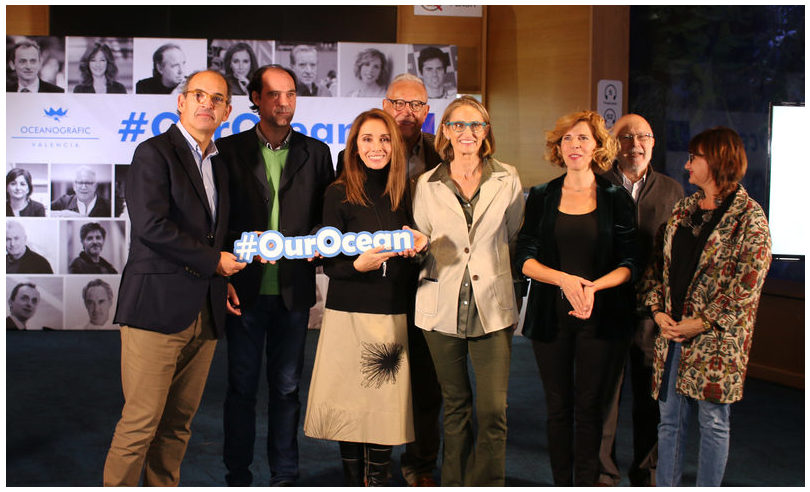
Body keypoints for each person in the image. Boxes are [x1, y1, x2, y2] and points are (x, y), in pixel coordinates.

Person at [103, 70, 245, 486]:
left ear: (227, 112)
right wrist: (212, 262)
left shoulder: (220, 165)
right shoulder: (154, 152)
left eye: (217, 98)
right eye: (199, 94)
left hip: (206, 308)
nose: (207, 103)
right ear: (181, 102)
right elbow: (151, 226)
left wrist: (223, 277)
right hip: (155, 308)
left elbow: (212, 234)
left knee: (179, 424)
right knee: (140, 423)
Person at [216, 65, 334, 487]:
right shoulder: (227, 151)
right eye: (273, 94)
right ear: (255, 99)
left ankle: (285, 475)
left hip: (293, 292)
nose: (284, 102)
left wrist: (322, 242)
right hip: (244, 290)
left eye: (291, 94)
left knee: (286, 390)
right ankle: (238, 474)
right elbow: (218, 223)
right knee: (241, 389)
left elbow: (327, 221)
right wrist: (236, 253)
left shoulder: (317, 153)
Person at [639, 127, 772, 487]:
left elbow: (747, 286)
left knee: (713, 423)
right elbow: (656, 269)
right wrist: (657, 311)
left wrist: (701, 323)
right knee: (669, 422)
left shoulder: (750, 219)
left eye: (694, 157)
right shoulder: (683, 209)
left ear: (716, 160)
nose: (687, 166)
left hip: (715, 343)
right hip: (672, 335)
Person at [303, 108, 428, 486]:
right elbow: (329, 264)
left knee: (383, 407)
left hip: (391, 313)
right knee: (350, 403)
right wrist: (358, 265)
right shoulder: (338, 192)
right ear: (354, 147)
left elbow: (416, 254)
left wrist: (416, 250)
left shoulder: (408, 191)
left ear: (396, 145)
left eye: (385, 139)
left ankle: (376, 479)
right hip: (347, 314)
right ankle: (352, 478)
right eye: (367, 139)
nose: (377, 147)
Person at [515, 110, 638, 486]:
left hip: (601, 318)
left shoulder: (616, 197)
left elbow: (630, 261)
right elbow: (524, 258)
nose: (574, 145)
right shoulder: (541, 195)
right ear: (558, 147)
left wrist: (593, 288)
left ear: (598, 146)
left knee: (589, 409)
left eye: (583, 138)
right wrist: (566, 280)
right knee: (557, 409)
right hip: (550, 317)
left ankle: (585, 482)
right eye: (567, 139)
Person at [412, 96, 525, 486]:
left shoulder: (508, 178)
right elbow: (425, 240)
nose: (467, 133)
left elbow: (511, 233)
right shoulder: (425, 185)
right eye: (458, 125)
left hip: (492, 307)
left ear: (486, 131)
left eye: (476, 125)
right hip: (439, 305)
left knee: (494, 409)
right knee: (455, 406)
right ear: (444, 131)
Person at [596, 114, 683, 486]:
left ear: (654, 142)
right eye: (626, 137)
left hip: (653, 313)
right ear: (615, 144)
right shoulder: (596, 185)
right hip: (605, 309)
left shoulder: (672, 190)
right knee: (604, 401)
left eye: (644, 136)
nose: (635, 144)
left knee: (651, 401)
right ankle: (602, 475)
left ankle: (646, 475)